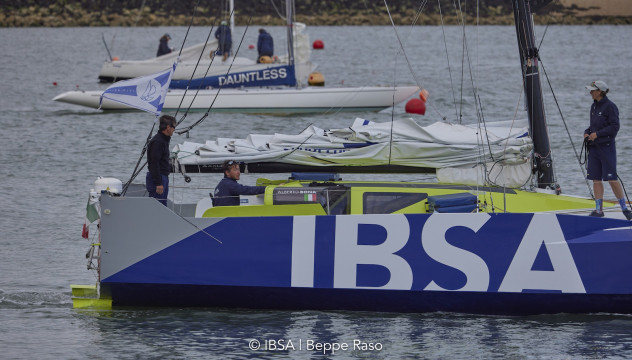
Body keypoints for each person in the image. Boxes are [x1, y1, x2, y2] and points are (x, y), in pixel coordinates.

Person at [583, 80, 631, 219]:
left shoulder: (611, 107)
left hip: (606, 148)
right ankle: (599, 210)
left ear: (600, 91)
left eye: (593, 90)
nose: (590, 92)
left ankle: (625, 209)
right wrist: (587, 132)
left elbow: (615, 127)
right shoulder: (593, 106)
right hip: (594, 148)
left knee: (611, 179)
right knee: (596, 179)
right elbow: (592, 126)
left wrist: (598, 134)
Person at [146, 115, 176, 206]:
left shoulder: (164, 140)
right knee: (157, 206)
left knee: (163, 205)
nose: (174, 130)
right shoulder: (158, 142)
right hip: (158, 179)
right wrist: (159, 183)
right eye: (174, 127)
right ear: (168, 127)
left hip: (163, 177)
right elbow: (154, 163)